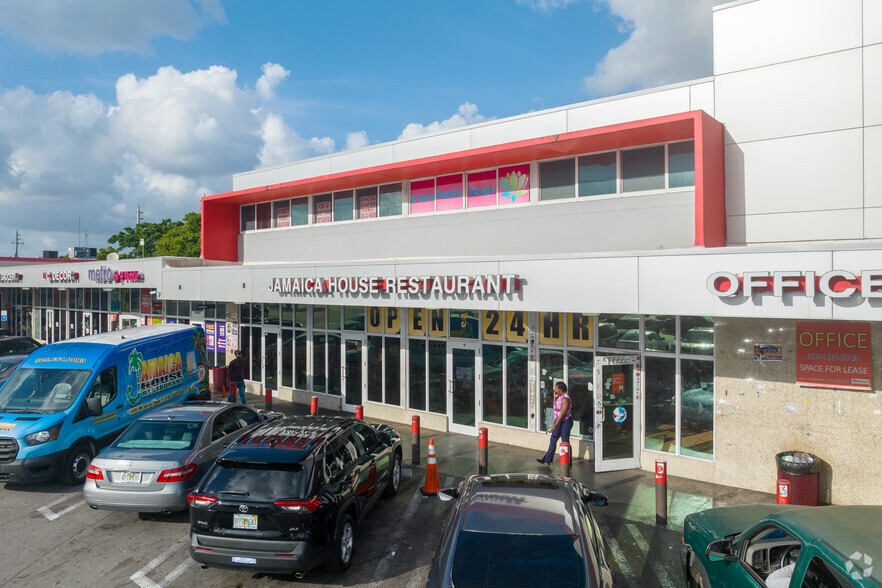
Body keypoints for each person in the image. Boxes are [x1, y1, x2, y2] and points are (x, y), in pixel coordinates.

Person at [538, 381, 573, 465]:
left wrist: (555, 425)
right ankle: (547, 459)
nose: (555, 390)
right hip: (558, 420)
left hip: (565, 421)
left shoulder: (566, 399)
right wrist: (555, 398)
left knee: (565, 441)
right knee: (553, 440)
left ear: (561, 389)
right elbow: (555, 407)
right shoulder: (559, 397)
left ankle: (568, 461)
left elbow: (562, 413)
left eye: (557, 388)